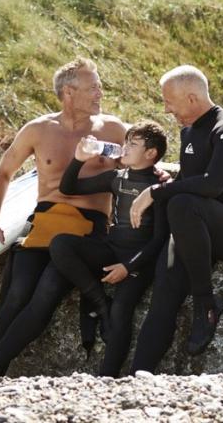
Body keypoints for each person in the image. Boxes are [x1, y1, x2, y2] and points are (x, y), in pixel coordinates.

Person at [0, 57, 127, 377]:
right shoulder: (38, 129)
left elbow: (141, 169)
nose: (100, 93)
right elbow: (3, 174)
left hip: (85, 232)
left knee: (47, 291)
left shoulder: (114, 129)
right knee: (16, 294)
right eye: (93, 87)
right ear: (69, 92)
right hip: (45, 224)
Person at [128, 65, 223, 372]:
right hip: (192, 230)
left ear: (190, 97)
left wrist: (156, 194)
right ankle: (136, 378)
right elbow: (188, 180)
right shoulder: (188, 131)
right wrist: (164, 184)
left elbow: (212, 185)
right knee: (164, 292)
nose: (166, 108)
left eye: (169, 102)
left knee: (181, 203)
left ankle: (205, 301)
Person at [50, 121, 170, 377]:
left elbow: (159, 239)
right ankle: (99, 301)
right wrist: (79, 159)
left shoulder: (159, 189)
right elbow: (68, 188)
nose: (124, 148)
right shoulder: (117, 177)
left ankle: (106, 377)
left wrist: (128, 268)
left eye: (133, 144)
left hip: (138, 261)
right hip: (110, 250)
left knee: (121, 311)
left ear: (151, 154)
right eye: (126, 142)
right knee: (60, 243)